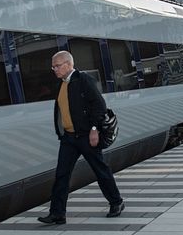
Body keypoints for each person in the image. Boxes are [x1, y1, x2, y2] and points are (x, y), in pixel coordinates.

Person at [39, 51, 124, 225]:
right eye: (53, 66)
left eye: (57, 65)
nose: (54, 69)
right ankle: (57, 213)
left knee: (100, 170)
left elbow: (100, 105)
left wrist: (94, 129)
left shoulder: (83, 80)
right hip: (69, 138)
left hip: (86, 136)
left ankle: (117, 202)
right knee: (61, 174)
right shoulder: (61, 84)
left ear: (69, 64)